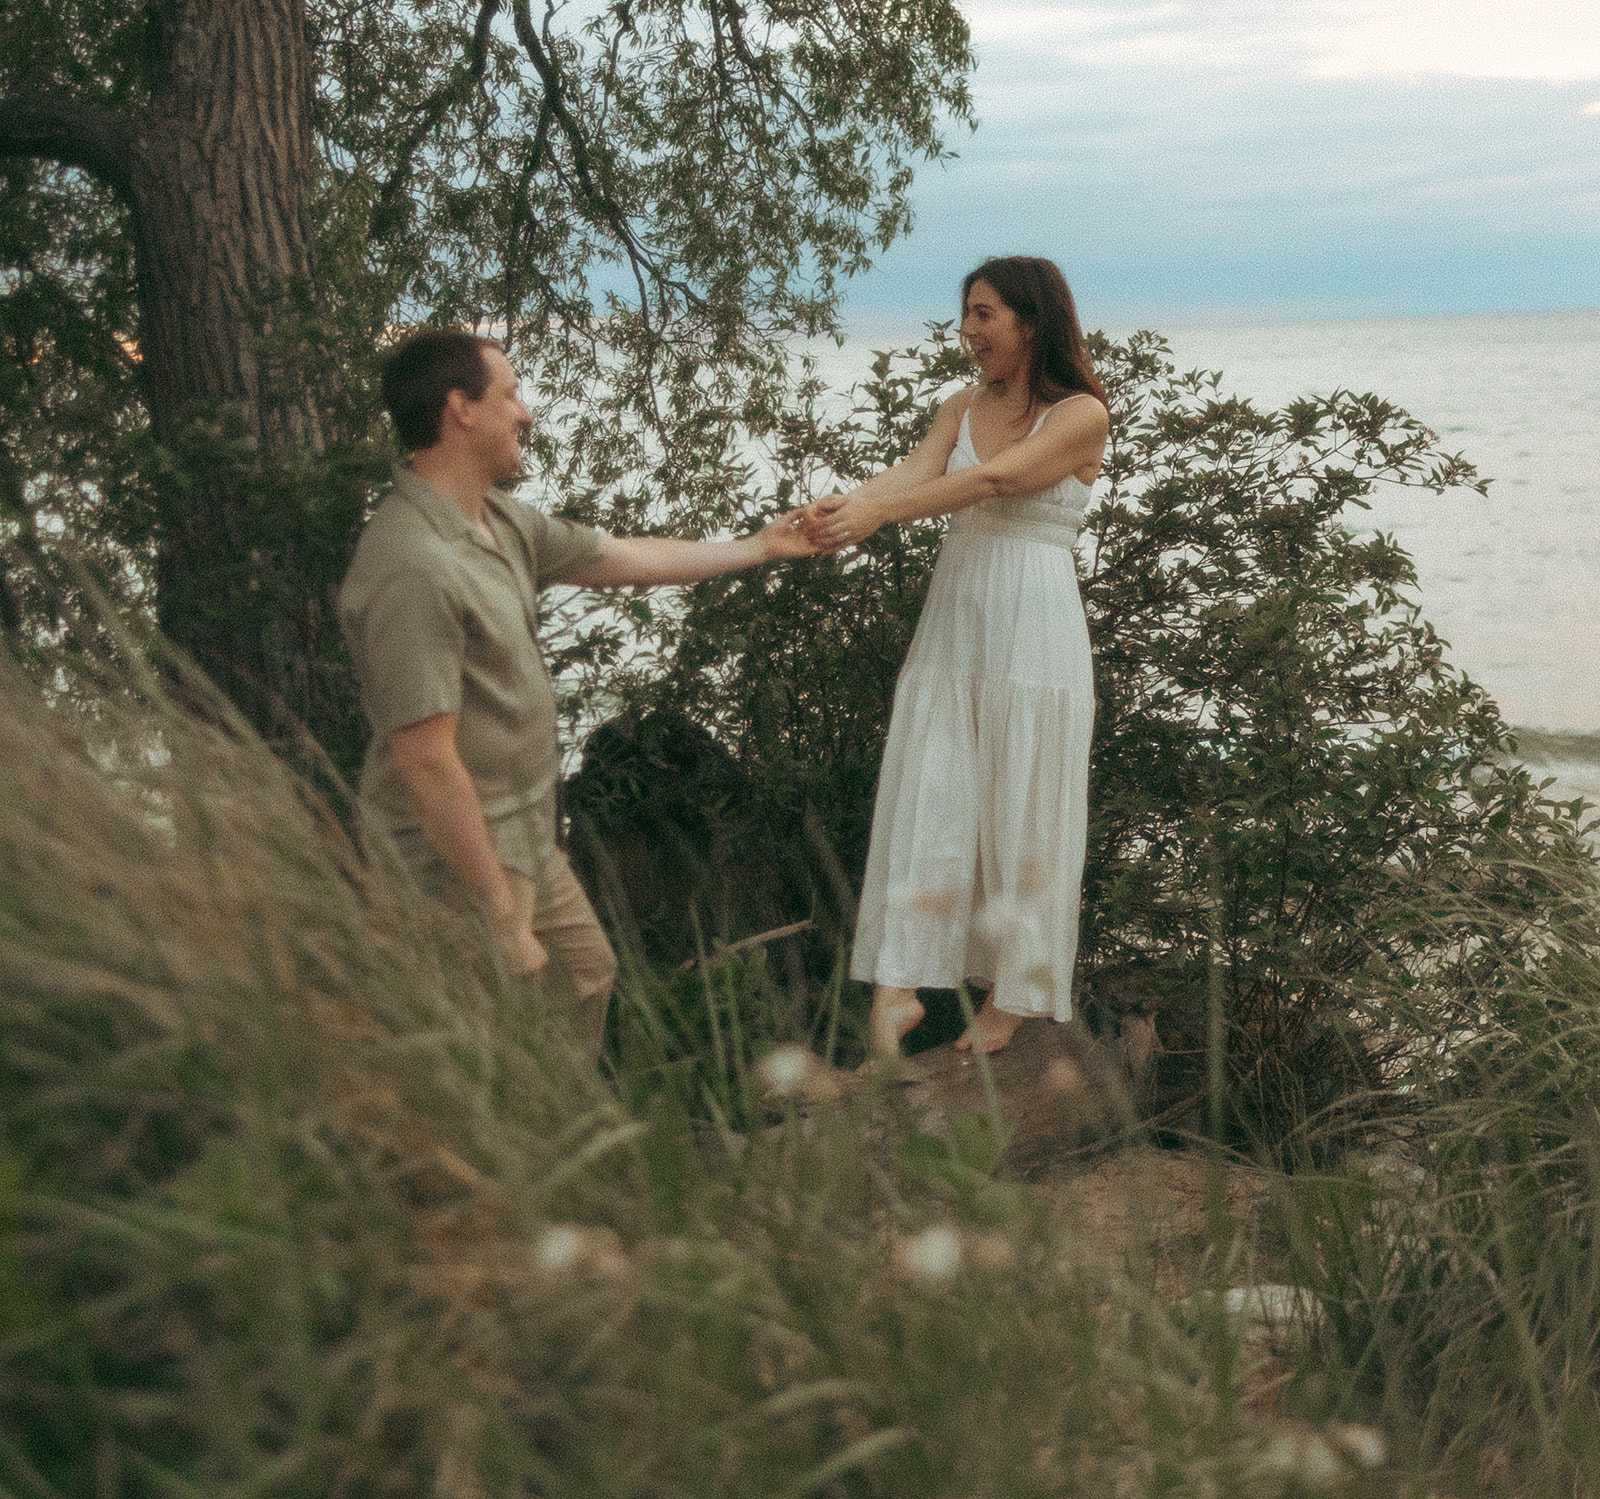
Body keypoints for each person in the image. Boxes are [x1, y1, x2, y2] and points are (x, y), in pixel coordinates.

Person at [339, 328, 820, 1058]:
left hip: (530, 832)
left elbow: (623, 556)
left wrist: (759, 546)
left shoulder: (501, 521)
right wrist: (499, 917)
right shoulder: (414, 564)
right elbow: (425, 764)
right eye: (510, 395)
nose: (525, 414)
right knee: (477, 1048)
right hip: (456, 861)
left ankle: (553, 1151)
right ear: (460, 410)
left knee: (585, 980)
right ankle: (502, 1161)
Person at [803, 257, 1109, 1058]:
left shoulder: (1081, 415)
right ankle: (899, 984)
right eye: (967, 314)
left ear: (1031, 321)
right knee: (931, 780)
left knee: (1023, 796)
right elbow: (914, 473)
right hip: (958, 614)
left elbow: (998, 481)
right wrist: (839, 509)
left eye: (984, 315)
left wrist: (877, 518)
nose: (968, 331)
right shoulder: (959, 405)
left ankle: (1013, 999)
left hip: (1035, 621)